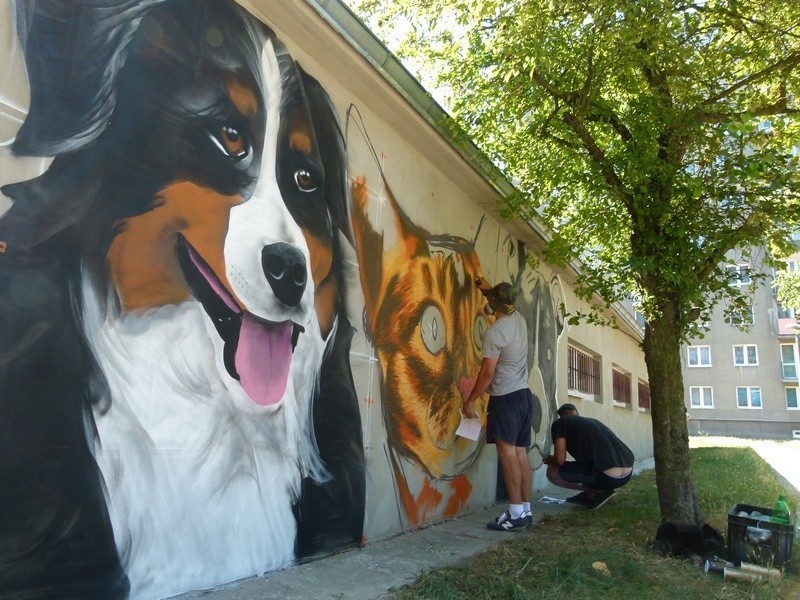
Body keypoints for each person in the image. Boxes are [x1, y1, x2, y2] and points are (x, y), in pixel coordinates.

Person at [462, 278, 534, 532]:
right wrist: (485, 288)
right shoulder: (520, 319)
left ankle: (514, 513)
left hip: (505, 398)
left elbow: (487, 375)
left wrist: (469, 401)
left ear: (495, 305)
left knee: (507, 453)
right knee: (520, 452)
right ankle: (525, 509)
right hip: (524, 396)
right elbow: (500, 298)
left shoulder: (495, 333)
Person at [543, 403, 634, 509]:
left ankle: (598, 492)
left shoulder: (560, 423)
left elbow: (559, 460)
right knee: (583, 468)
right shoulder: (593, 422)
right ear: (577, 414)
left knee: (552, 472)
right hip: (627, 474)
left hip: (608, 476)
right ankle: (594, 493)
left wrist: (551, 460)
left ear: (560, 417)